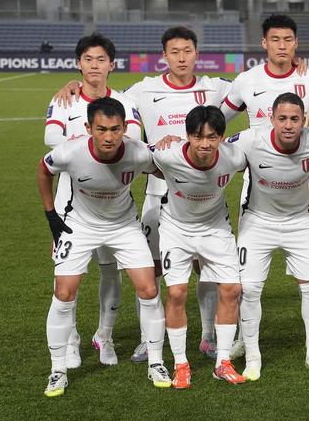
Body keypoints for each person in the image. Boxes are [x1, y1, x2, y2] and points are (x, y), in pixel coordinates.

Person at [54, 26, 232, 362]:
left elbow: (257, 89)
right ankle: (146, 340)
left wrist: (294, 64)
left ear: (197, 53)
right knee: (150, 270)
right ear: (164, 56)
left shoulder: (216, 88)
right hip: (158, 189)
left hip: (201, 192)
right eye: (174, 52)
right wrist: (76, 86)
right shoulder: (142, 90)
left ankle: (208, 335)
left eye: (187, 51)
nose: (181, 58)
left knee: (205, 266)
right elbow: (106, 98)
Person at [220, 13, 309, 359]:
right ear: (264, 43)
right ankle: (243, 337)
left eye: (288, 40)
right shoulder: (246, 80)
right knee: (248, 273)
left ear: (296, 43)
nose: (282, 46)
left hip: (301, 182)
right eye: (275, 39)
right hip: (257, 183)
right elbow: (218, 118)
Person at [38, 97, 170, 397]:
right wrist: (51, 215)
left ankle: (157, 363)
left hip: (124, 226)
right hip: (79, 225)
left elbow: (163, 169)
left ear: (124, 128)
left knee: (149, 289)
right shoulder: (70, 152)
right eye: (101, 129)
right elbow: (43, 171)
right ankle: (57, 370)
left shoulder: (138, 153)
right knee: (63, 293)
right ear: (89, 128)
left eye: (115, 129)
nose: (108, 137)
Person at [44, 32, 142, 368]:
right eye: (88, 59)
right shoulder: (65, 99)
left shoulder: (125, 102)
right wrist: (92, 145)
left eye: (101, 59)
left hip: (113, 200)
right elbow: (51, 139)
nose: (95, 65)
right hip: (69, 200)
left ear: (112, 64)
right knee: (66, 276)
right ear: (79, 63)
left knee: (110, 271)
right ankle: (71, 340)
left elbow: (133, 139)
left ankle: (105, 336)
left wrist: (87, 143)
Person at [227, 93, 309, 381]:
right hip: (257, 222)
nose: (289, 125)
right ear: (271, 119)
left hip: (299, 223)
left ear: (304, 120)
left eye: (295, 119)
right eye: (283, 118)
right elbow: (214, 148)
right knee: (249, 289)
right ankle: (252, 357)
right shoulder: (250, 140)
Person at [152, 106, 247, 388]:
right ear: (187, 136)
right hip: (175, 229)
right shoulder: (166, 155)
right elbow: (135, 156)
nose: (204, 144)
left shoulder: (234, 157)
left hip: (215, 228)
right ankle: (181, 364)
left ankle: (223, 362)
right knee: (176, 293)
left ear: (222, 137)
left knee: (231, 290)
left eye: (212, 137)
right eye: (197, 136)